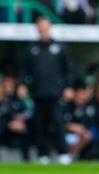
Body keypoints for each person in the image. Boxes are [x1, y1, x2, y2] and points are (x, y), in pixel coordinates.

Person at [20, 16, 74, 165]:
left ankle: (63, 152)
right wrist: (23, 84)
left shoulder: (60, 48)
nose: (43, 30)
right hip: (38, 93)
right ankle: (42, 154)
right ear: (37, 29)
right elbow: (25, 71)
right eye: (40, 27)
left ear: (49, 28)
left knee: (58, 122)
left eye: (46, 27)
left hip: (56, 93)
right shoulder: (32, 49)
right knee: (40, 125)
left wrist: (68, 86)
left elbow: (68, 69)